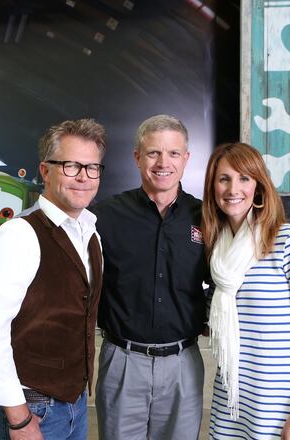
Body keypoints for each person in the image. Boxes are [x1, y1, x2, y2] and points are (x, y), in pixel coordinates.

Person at [0, 118, 107, 440]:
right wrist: (17, 417)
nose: (83, 178)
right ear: (45, 171)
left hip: (73, 403)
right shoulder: (18, 235)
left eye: (92, 168)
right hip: (33, 407)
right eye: (72, 166)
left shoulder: (89, 234)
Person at [202, 142, 290, 439]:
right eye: (224, 179)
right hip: (232, 400)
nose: (233, 189)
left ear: (259, 187)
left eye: (244, 178)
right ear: (213, 187)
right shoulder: (217, 252)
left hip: (280, 405)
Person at [93, 114, 209, 440]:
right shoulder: (104, 216)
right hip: (122, 362)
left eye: (173, 153)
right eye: (153, 153)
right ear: (137, 157)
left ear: (186, 159)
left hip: (183, 363)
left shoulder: (206, 217)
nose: (163, 162)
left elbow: (222, 281)